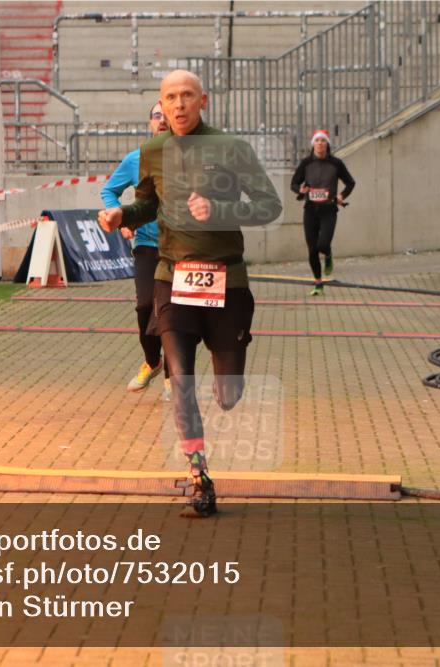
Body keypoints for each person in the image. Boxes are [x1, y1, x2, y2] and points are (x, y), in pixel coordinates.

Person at [97, 70, 282, 516]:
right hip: (171, 278)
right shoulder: (153, 151)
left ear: (204, 100)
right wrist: (122, 215)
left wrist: (219, 209)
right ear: (161, 104)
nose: (178, 105)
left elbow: (269, 205)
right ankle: (199, 479)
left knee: (227, 395)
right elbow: (146, 204)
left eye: (186, 96)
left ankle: (230, 370)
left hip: (226, 283)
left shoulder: (231, 148)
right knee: (180, 383)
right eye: (169, 98)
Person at [100, 102, 171, 399]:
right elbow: (109, 191)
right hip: (146, 243)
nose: (163, 120)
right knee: (145, 306)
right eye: (157, 115)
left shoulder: (188, 158)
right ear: (149, 123)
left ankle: (173, 375)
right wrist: (121, 218)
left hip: (178, 247)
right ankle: (153, 362)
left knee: (170, 314)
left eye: (167, 115)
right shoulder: (135, 159)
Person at [289, 130, 355, 296]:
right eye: (317, 140)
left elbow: (350, 183)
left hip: (329, 210)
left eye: (323, 141)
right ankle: (318, 283)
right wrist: (301, 189)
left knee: (322, 244)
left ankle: (328, 254)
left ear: (327, 144)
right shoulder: (306, 163)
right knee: (312, 249)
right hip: (310, 210)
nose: (320, 143)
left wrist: (341, 196)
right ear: (313, 144)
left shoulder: (336, 163)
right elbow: (294, 183)